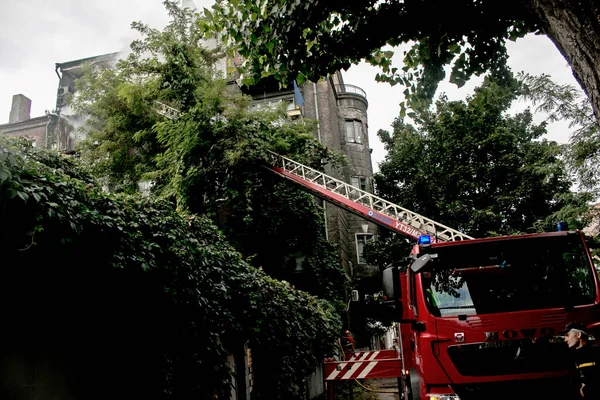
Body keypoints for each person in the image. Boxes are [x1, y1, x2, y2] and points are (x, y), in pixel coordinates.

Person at [563, 322, 600, 398]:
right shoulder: (572, 356)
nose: (565, 340)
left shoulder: (596, 352)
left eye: (567, 335)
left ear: (579, 334)